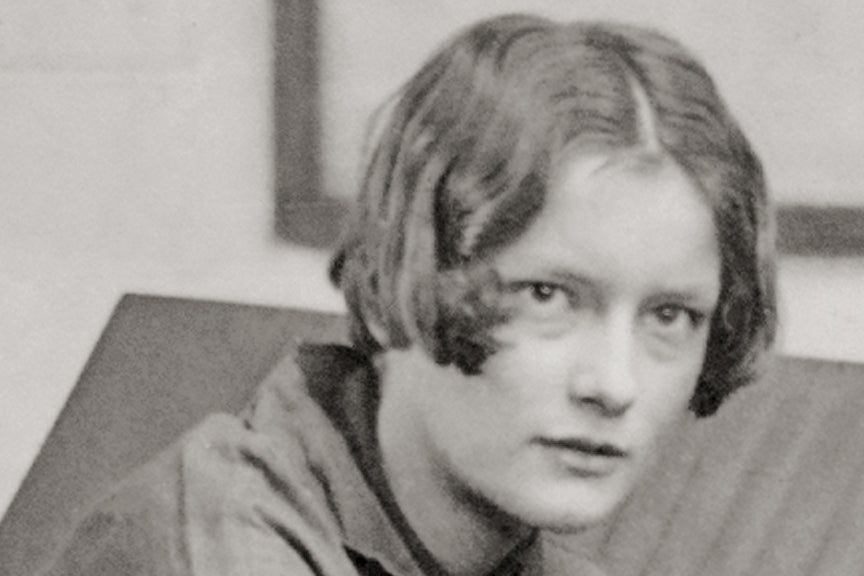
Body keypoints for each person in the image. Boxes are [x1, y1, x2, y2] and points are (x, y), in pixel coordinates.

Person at [42, 13, 776, 576]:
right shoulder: (218, 543)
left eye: (670, 316)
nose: (615, 384)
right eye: (548, 295)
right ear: (417, 267)